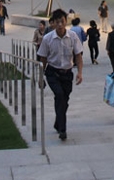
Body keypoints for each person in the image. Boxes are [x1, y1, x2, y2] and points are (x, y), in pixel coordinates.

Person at [36, 9, 83, 141]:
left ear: (66, 21)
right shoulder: (47, 39)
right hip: (53, 73)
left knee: (64, 100)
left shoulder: (73, 36)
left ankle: (58, 122)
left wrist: (79, 72)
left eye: (62, 22)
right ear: (53, 24)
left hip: (67, 73)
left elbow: (78, 55)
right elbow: (43, 59)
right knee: (59, 95)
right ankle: (63, 129)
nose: (60, 25)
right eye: (57, 22)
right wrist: (41, 76)